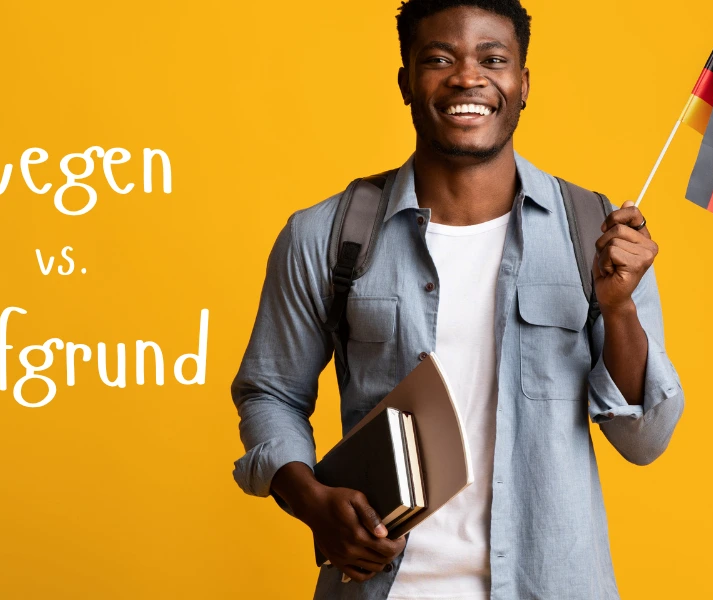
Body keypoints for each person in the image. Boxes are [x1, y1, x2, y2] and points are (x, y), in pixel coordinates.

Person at [230, 1, 685, 598]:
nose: (468, 77)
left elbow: (644, 440)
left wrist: (619, 308)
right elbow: (270, 392)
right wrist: (310, 499)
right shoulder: (326, 235)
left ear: (523, 85)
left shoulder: (597, 233)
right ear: (405, 83)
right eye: (439, 59)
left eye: (493, 59)